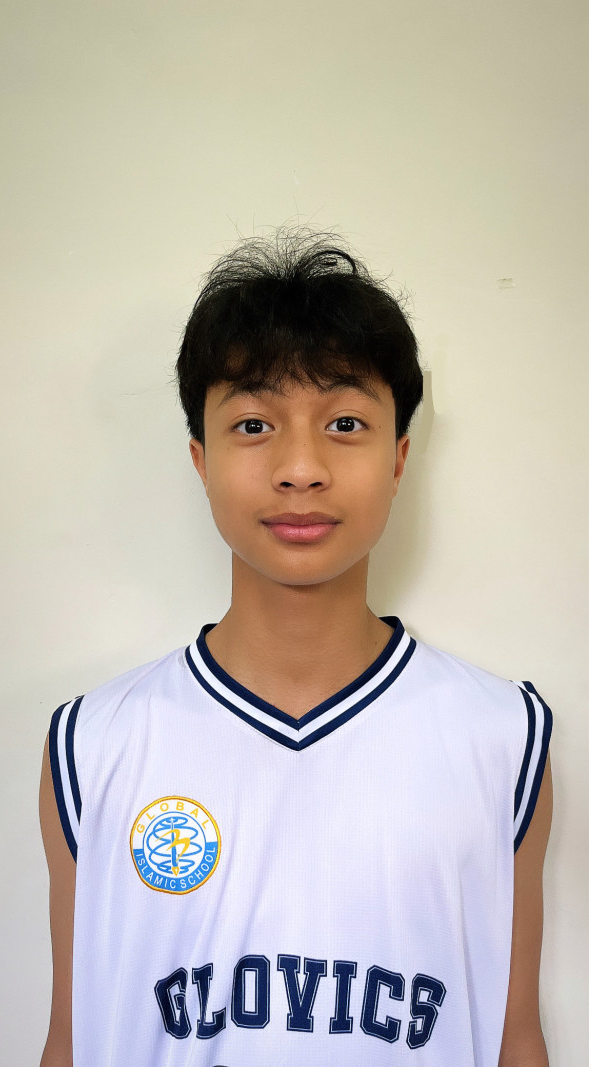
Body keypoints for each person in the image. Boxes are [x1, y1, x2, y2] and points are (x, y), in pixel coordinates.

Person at [39, 227, 553, 1067]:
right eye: (254, 424)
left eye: (345, 422)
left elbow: (514, 1038)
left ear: (399, 458)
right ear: (200, 459)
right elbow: (73, 1037)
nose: (301, 467)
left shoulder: (503, 736)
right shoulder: (93, 743)